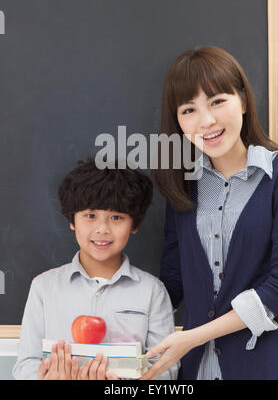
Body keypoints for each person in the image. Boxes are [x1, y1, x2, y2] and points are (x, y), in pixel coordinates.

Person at [140, 46, 278, 380]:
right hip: (197, 370)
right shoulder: (182, 187)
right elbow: (172, 283)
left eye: (217, 101)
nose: (206, 121)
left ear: (242, 99)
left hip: (270, 367)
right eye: (188, 109)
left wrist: (193, 337)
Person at [12, 158, 179, 380]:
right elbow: (25, 365)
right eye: (90, 216)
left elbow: (166, 370)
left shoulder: (152, 291)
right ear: (72, 220)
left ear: (135, 224)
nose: (102, 229)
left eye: (116, 217)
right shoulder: (44, 287)